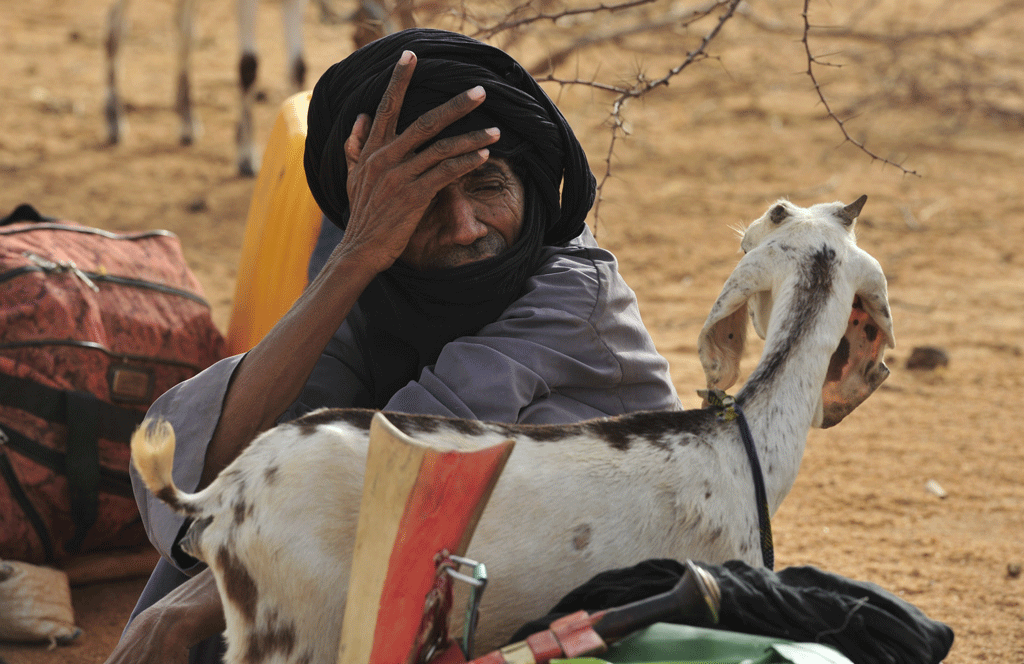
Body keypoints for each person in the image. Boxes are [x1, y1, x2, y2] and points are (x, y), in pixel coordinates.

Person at [105, 28, 681, 664]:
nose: (464, 228)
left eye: (489, 186)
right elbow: (212, 466)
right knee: (230, 527)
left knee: (238, 581)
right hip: (442, 562)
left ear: (531, 185)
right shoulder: (379, 286)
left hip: (615, 597)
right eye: (425, 202)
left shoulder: (572, 296)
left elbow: (402, 475)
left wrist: (192, 610)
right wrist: (356, 256)